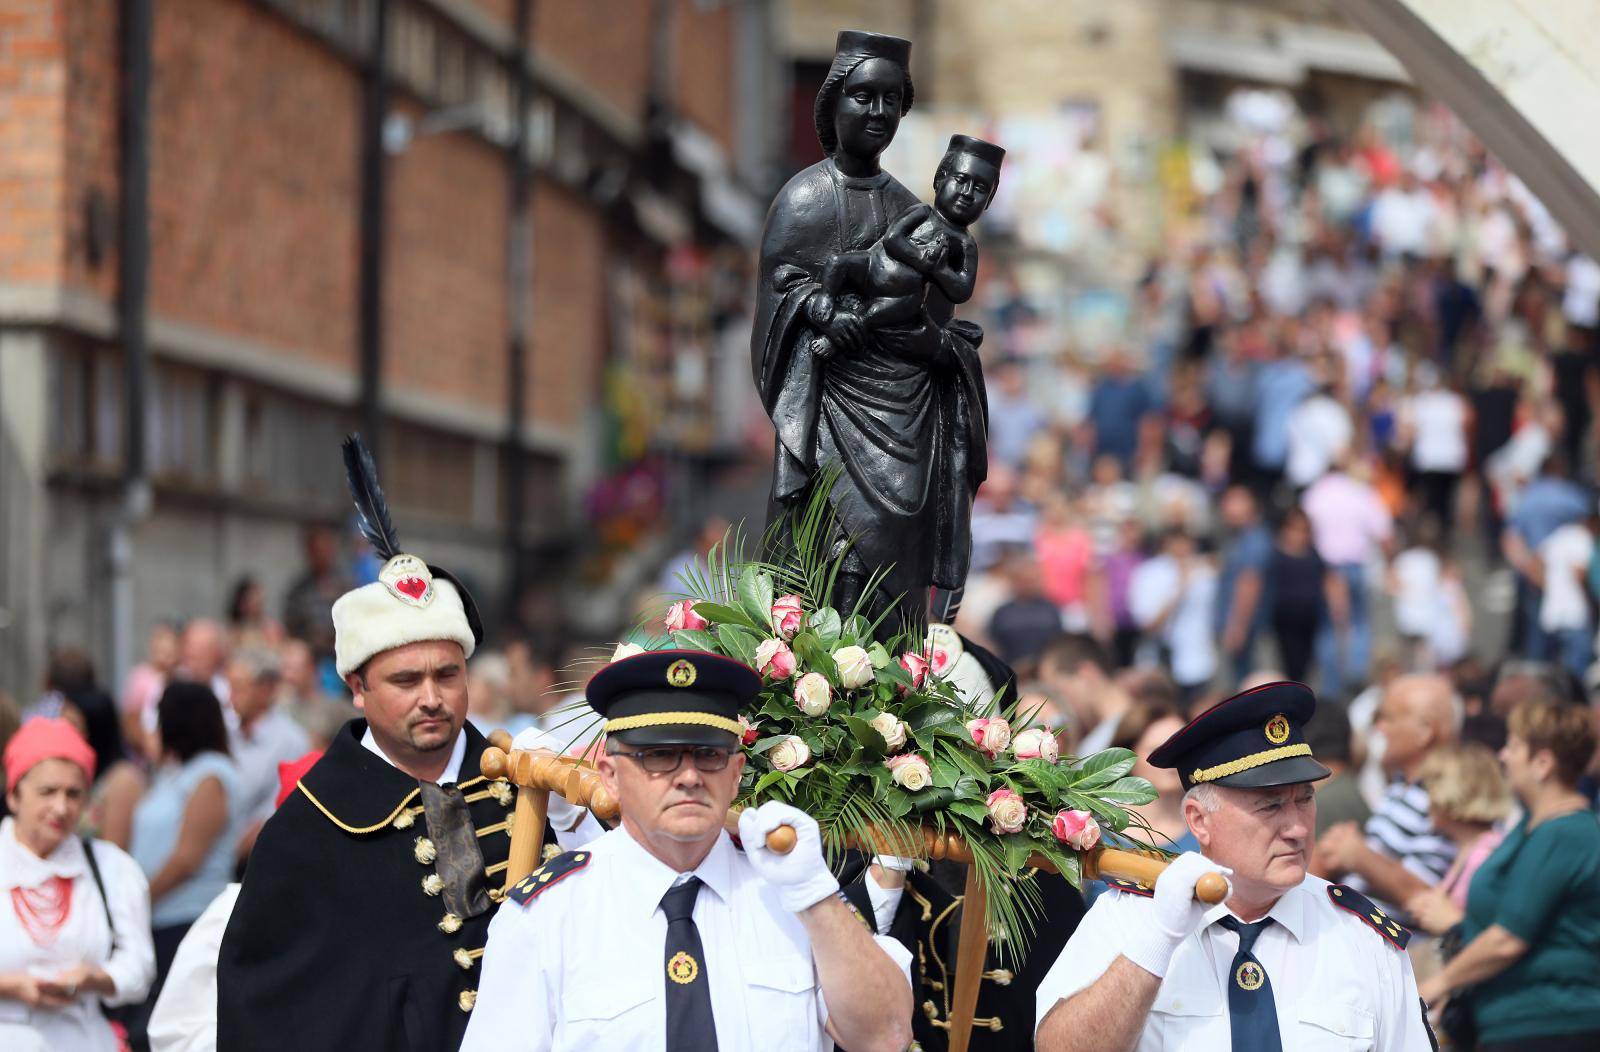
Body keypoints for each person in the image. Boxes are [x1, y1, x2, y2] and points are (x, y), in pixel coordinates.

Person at [217, 500, 590, 1050]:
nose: (432, 698)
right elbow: (265, 1014)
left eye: (447, 674)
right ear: (357, 688)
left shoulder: (527, 781)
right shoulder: (305, 831)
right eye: (405, 680)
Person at [460, 649, 914, 1051]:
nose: (690, 776)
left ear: (736, 772)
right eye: (659, 756)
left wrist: (815, 894)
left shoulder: (793, 898)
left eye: (709, 755)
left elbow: (886, 1037)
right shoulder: (547, 915)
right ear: (610, 774)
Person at [1033, 681, 1435, 1050]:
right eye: (1271, 805)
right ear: (1199, 820)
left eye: (1305, 799)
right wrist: (1157, 941)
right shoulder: (1131, 919)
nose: (1296, 827)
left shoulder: (1361, 937)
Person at [1418, 699, 1600, 1050]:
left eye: (1514, 746)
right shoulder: (1533, 829)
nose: (1502, 755)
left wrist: (1434, 986)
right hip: (1511, 1025)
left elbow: (1507, 938)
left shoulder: (1566, 833)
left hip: (1551, 1026)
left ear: (1543, 763)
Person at [0, 719, 155, 1052]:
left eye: (73, 794)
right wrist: (9, 987)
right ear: (14, 795)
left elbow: (140, 966)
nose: (61, 807)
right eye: (47, 792)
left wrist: (94, 978)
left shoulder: (111, 866)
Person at [129, 682, 242, 1035]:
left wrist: (136, 899)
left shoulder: (212, 774)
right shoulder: (174, 773)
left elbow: (187, 859)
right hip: (158, 918)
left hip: (189, 918)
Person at [1316, 674, 1459, 914]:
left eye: (1388, 718)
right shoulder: (1399, 787)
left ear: (1425, 731)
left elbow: (1427, 896)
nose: (1379, 728)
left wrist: (1358, 855)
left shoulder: (1448, 797)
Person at [1402, 744, 1513, 935]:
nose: (1427, 799)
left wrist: (1450, 921)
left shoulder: (1485, 855)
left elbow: (1495, 933)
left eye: (1430, 786)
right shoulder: (1471, 848)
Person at [223, 649, 309, 861]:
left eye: (239, 688)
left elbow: (274, 815)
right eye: (230, 687)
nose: (231, 698)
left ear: (264, 690)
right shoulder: (227, 734)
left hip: (251, 862)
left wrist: (228, 858)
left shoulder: (290, 741)